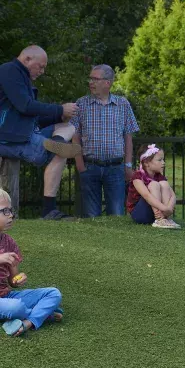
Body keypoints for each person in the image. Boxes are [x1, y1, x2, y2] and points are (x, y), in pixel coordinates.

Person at [0, 45, 81, 219]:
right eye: (41, 66)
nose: (43, 71)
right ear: (27, 59)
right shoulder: (9, 70)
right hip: (9, 139)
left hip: (24, 133)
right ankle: (49, 210)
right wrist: (59, 109)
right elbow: (25, 106)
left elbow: (32, 118)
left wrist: (60, 117)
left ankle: (56, 145)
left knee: (68, 126)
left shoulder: (21, 78)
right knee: (58, 153)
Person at [71, 64, 140, 217]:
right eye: (90, 79)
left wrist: (128, 166)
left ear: (108, 83)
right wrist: (80, 164)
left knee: (116, 215)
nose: (91, 82)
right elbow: (74, 135)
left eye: (95, 79)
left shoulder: (122, 104)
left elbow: (128, 136)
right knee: (91, 217)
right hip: (89, 167)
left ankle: (115, 241)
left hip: (115, 168)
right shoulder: (81, 104)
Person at [0, 187, 63, 337]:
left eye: (11, 210)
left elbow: (12, 281)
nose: (11, 216)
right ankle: (44, 315)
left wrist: (18, 279)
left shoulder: (9, 242)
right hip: (11, 304)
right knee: (16, 307)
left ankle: (28, 322)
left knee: (54, 294)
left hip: (6, 296)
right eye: (4, 211)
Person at [127, 144, 180, 229]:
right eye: (159, 160)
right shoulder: (137, 177)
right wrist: (164, 208)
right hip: (141, 214)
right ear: (146, 163)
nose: (163, 162)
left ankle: (165, 218)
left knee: (164, 184)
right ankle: (159, 219)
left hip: (158, 212)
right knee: (154, 184)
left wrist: (169, 208)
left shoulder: (159, 176)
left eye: (163, 159)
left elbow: (172, 195)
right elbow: (147, 196)